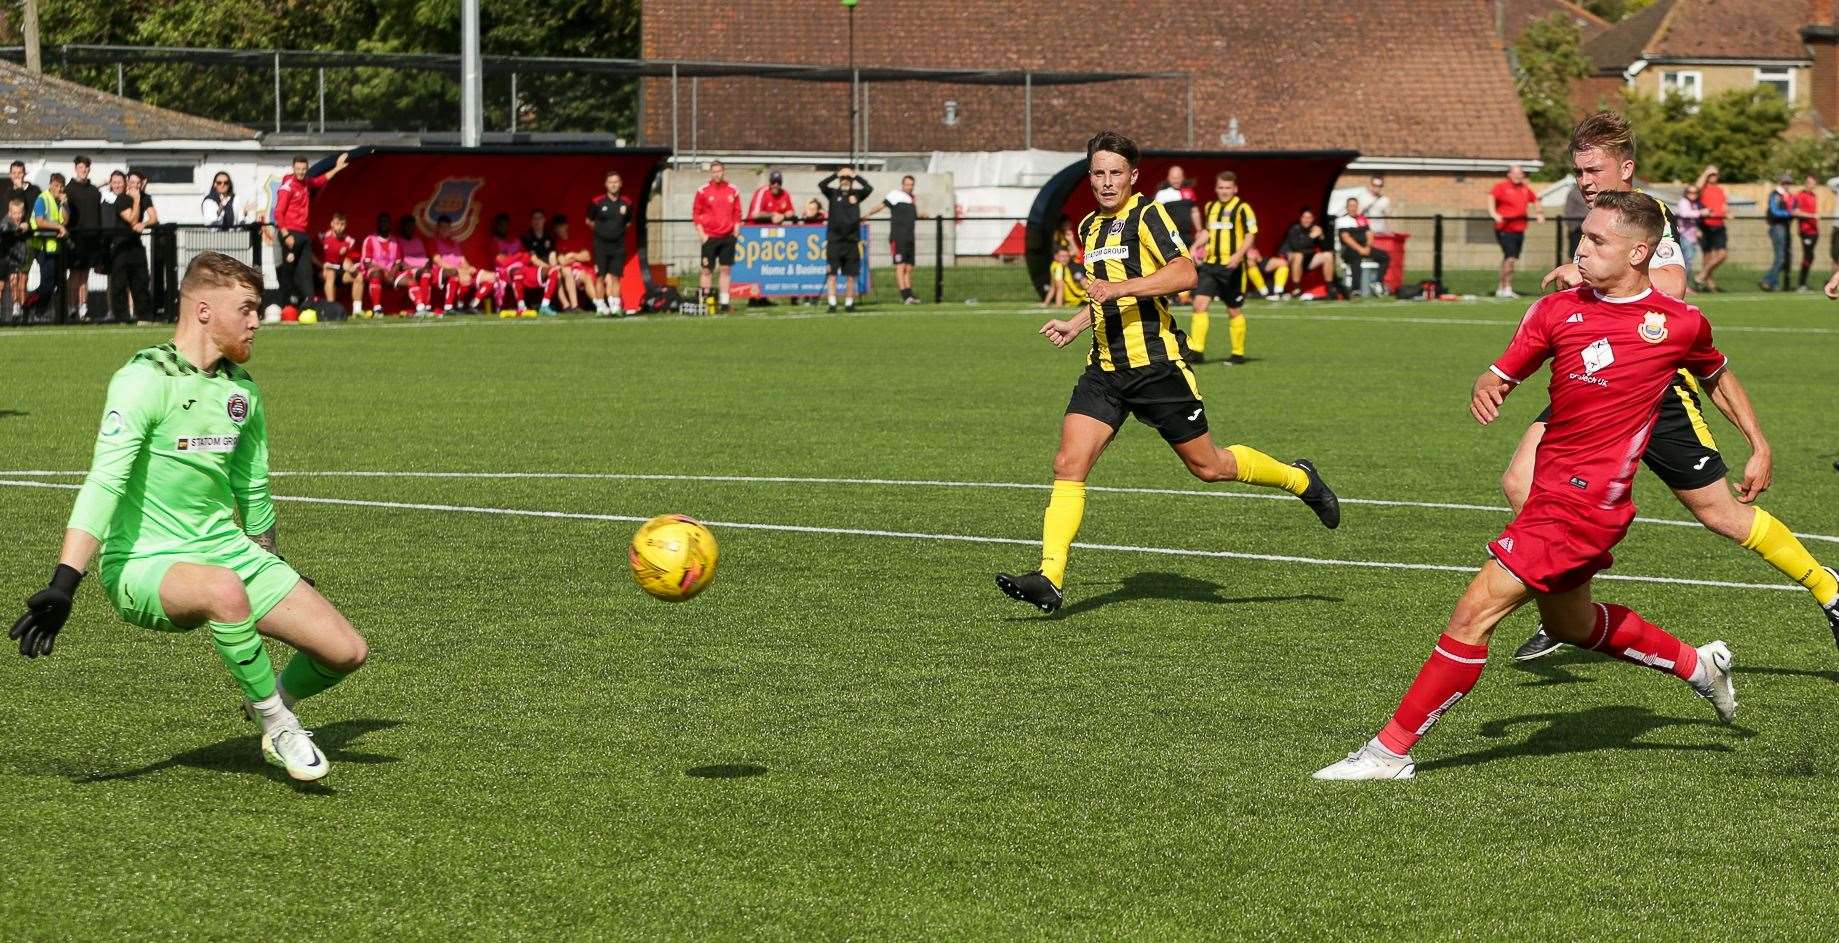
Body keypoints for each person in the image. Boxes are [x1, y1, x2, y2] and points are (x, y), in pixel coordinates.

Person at [1313, 191, 1739, 781]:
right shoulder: (1557, 310)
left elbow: (1714, 369)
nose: (1581, 249)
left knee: (1472, 615)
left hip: (1585, 505)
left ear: (1639, 251)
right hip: (1549, 492)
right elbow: (1508, 366)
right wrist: (1490, 384)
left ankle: (1389, 752)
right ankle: (1698, 666)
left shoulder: (1677, 323)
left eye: (1597, 241)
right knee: (1572, 625)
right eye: (1581, 237)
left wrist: (1758, 443)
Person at [8, 251, 367, 783]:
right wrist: (65, 581)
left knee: (346, 651)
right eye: (246, 308)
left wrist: (272, 564)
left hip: (227, 551)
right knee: (223, 591)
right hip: (144, 563)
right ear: (203, 310)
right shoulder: (142, 380)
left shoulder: (241, 391)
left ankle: (267, 702)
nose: (256, 321)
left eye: (258, 309)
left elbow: (251, 486)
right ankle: (279, 723)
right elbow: (104, 481)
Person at [1514, 112, 1839, 661]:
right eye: (1577, 172)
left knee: (1720, 513)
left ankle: (1828, 587)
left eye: (1593, 170)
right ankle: (1567, 606)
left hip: (1650, 389)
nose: (1585, 181)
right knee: (1523, 482)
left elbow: (1673, 285)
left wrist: (1583, 277)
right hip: (1592, 383)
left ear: (1626, 167)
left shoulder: (1650, 216)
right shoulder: (1599, 221)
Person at [993, 130, 1339, 614]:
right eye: (1098, 173)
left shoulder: (1150, 215)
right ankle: (1049, 577)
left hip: (1156, 369)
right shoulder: (1090, 226)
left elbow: (1185, 274)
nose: (1107, 181)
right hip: (1104, 371)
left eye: (1116, 173)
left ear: (1133, 176)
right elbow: (1104, 292)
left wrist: (1123, 290)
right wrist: (1076, 322)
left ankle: (1300, 479)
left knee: (1209, 467)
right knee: (1067, 465)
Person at [1189, 171, 1257, 364]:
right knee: (1199, 305)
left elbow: (1250, 234)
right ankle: (1197, 352)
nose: (1224, 191)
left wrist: (1238, 255)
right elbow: (1207, 233)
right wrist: (1195, 246)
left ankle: (1237, 353)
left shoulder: (1243, 208)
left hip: (1231, 267)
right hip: (1210, 266)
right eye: (1220, 187)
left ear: (1235, 189)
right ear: (1216, 188)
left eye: (1228, 188)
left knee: (1233, 310)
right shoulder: (1211, 207)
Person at [272, 153, 349, 308]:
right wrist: (286, 235)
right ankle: (283, 306)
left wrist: (337, 168)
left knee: (306, 272)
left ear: (306, 169)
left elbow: (320, 180)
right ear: (293, 168)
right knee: (288, 272)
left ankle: (310, 306)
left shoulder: (306, 182)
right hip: (290, 233)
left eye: (304, 169)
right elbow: (278, 213)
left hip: (303, 234)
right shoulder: (287, 187)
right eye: (298, 169)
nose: (301, 172)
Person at [818, 166, 872, 313]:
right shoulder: (833, 193)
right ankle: (832, 303)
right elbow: (822, 185)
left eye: (848, 179)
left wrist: (855, 175)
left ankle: (849, 303)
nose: (845, 181)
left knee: (851, 275)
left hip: (852, 242)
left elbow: (869, 188)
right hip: (835, 242)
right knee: (832, 274)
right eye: (843, 179)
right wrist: (836, 174)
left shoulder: (857, 194)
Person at [692, 161, 741, 314]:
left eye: (719, 171)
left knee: (725, 270)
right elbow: (696, 214)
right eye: (714, 171)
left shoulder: (733, 189)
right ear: (711, 173)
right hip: (710, 237)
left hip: (727, 237)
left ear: (723, 171)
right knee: (707, 270)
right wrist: (702, 235)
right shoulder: (702, 191)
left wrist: (736, 231)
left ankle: (724, 303)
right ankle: (704, 302)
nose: (717, 174)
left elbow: (737, 213)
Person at [1488, 163, 1543, 298]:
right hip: (1505, 228)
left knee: (1509, 258)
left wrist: (1539, 212)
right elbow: (1490, 197)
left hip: (1520, 228)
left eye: (1521, 174)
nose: (1518, 176)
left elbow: (1535, 200)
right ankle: (1507, 287)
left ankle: (1501, 288)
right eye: (1516, 173)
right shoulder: (1501, 187)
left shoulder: (1525, 188)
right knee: (1510, 258)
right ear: (1509, 174)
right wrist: (1494, 214)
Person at [865, 174, 922, 304]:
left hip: (910, 237)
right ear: (903, 185)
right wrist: (868, 214)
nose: (909, 187)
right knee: (900, 266)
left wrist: (921, 215)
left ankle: (910, 295)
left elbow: (911, 216)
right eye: (907, 184)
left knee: (908, 268)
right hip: (898, 236)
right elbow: (881, 206)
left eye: (911, 184)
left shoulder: (911, 199)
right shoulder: (895, 195)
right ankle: (905, 296)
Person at [110, 170, 156, 323]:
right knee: (119, 283)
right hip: (121, 245)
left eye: (138, 183)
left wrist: (144, 224)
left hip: (136, 245)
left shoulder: (146, 198)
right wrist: (136, 200)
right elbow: (132, 219)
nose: (134, 186)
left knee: (141, 280)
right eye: (132, 182)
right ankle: (122, 318)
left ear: (142, 183)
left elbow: (154, 217)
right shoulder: (122, 199)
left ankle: (145, 316)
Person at [586, 170, 630, 317]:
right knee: (600, 276)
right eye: (611, 182)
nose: (613, 185)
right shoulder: (597, 202)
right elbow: (588, 220)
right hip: (601, 246)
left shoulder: (627, 203)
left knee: (616, 276)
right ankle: (600, 306)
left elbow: (628, 222)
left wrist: (616, 232)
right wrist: (601, 231)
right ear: (606, 185)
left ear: (621, 184)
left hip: (618, 246)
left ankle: (616, 307)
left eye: (616, 182)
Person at [65, 157, 102, 322]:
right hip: (74, 239)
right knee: (74, 275)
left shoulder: (94, 191)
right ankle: (71, 307)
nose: (84, 170)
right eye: (81, 167)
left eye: (86, 167)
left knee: (85, 276)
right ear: (76, 168)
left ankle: (83, 308)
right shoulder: (68, 190)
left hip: (91, 240)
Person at [31, 172, 68, 321]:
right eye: (55, 185)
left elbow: (65, 221)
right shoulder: (42, 199)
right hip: (41, 246)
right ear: (50, 185)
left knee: (53, 283)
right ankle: (30, 305)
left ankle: (38, 311)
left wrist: (65, 204)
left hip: (54, 246)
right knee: (47, 283)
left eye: (60, 186)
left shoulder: (60, 201)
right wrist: (58, 227)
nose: (58, 189)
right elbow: (39, 221)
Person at [1335, 197, 1389, 295]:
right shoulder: (1342, 220)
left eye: (1354, 206)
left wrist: (1367, 247)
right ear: (1347, 207)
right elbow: (1346, 238)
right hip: (1349, 249)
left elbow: (1369, 234)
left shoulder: (1362, 219)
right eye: (1350, 206)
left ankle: (1377, 282)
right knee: (1355, 256)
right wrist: (1360, 249)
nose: (1353, 208)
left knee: (1384, 256)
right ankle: (1356, 289)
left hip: (1364, 248)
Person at [517, 209, 562, 317]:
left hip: (545, 269)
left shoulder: (549, 236)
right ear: (531, 221)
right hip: (531, 270)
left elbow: (552, 255)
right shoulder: (527, 237)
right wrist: (550, 268)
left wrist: (554, 266)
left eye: (540, 218)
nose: (537, 221)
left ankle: (567, 306)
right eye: (535, 219)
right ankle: (545, 306)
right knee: (554, 271)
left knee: (558, 272)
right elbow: (534, 259)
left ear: (544, 220)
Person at [358, 212, 402, 318]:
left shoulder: (395, 241)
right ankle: (377, 308)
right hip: (373, 271)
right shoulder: (370, 239)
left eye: (386, 222)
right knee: (376, 274)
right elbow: (367, 262)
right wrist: (384, 271)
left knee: (411, 279)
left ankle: (421, 308)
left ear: (390, 224)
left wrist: (392, 272)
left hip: (391, 273)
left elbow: (398, 262)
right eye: (382, 222)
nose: (384, 224)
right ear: (377, 224)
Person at [551, 214, 599, 313]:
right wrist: (577, 257)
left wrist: (572, 255)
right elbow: (562, 262)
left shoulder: (577, 238)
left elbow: (587, 256)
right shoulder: (557, 243)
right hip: (570, 270)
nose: (560, 229)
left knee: (601, 276)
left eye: (562, 226)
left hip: (585, 268)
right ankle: (598, 305)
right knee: (586, 277)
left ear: (566, 226)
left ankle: (604, 304)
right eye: (557, 227)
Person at [317, 212, 360, 311]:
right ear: (331, 224)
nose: (339, 227)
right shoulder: (322, 237)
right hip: (323, 271)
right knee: (330, 273)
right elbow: (310, 254)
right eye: (337, 224)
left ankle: (357, 311)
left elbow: (348, 260)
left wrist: (350, 267)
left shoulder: (350, 241)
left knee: (358, 276)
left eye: (342, 224)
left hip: (340, 270)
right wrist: (321, 265)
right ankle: (331, 309)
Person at [1153, 164, 1202, 251]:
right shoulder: (1162, 194)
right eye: (1173, 178)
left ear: (1183, 177)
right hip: (1170, 237)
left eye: (1178, 177)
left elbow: (1195, 212)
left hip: (1187, 236)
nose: (1176, 180)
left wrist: (1199, 230)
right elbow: (1156, 216)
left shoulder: (1189, 192)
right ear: (1168, 178)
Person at [1696, 165, 1728, 292]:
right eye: (1711, 175)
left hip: (1719, 224)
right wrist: (1706, 172)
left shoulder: (1720, 190)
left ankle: (1701, 276)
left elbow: (1724, 206)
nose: (1713, 177)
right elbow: (1696, 187)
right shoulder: (1702, 189)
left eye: (1715, 174)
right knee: (1707, 257)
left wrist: (1728, 212)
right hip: (1706, 224)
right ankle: (1709, 285)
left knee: (1722, 254)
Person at [396, 216, 434, 316]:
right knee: (421, 274)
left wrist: (426, 266)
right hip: (407, 270)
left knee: (427, 273)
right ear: (402, 227)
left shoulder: (418, 241)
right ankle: (422, 307)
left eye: (412, 226)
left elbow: (425, 258)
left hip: (421, 269)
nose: (410, 229)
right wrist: (411, 268)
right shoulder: (397, 241)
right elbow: (398, 262)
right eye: (407, 226)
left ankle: (426, 307)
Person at [0, 197, 31, 322]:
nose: (17, 216)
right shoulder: (6, 222)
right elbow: (4, 228)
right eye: (14, 213)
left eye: (19, 213)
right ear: (9, 212)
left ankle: (16, 308)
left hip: (16, 259)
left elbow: (30, 226)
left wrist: (27, 226)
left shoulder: (25, 222)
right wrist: (18, 229)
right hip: (3, 257)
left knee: (15, 281)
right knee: (1, 285)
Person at [1761, 174, 1794, 292]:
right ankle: (1767, 280)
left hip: (1785, 227)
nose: (1787, 185)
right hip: (1777, 227)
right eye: (1785, 183)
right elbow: (1774, 211)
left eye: (1789, 183)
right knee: (1781, 257)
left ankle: (1773, 283)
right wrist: (1790, 213)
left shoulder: (1788, 196)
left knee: (1783, 257)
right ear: (1781, 182)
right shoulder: (1775, 194)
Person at [1794, 174, 1820, 292]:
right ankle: (1801, 284)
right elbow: (1796, 212)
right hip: (1805, 230)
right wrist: (1812, 216)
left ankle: (1803, 283)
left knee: (1810, 256)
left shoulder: (1814, 195)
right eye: (1808, 182)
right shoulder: (1800, 195)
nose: (1810, 184)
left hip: (1814, 231)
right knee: (1808, 256)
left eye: (1813, 183)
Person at [1674, 184, 1702, 288]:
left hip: (1691, 236)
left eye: (1695, 192)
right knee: (1685, 261)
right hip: (1683, 235)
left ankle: (1684, 286)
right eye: (1690, 192)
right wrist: (1701, 212)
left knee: (1688, 261)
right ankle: (1683, 286)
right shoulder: (1684, 202)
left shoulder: (1694, 204)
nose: (1693, 195)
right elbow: (1685, 214)